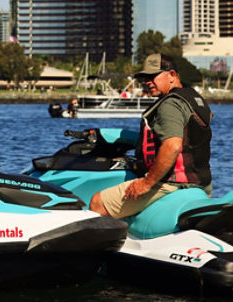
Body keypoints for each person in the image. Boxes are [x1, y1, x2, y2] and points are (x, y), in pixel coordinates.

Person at [89, 53, 212, 219]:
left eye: (153, 76)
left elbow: (173, 146)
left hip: (171, 184)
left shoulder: (170, 104)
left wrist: (147, 183)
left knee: (98, 202)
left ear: (172, 75)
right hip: (202, 184)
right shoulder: (194, 99)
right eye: (145, 78)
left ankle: (107, 244)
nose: (147, 82)